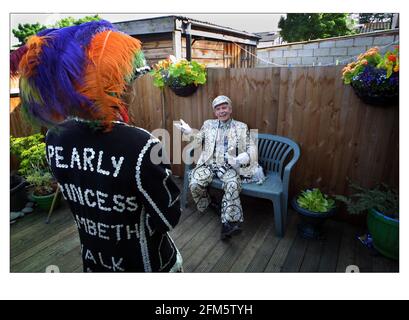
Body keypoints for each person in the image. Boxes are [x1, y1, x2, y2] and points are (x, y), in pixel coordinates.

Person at [12, 21, 183, 272]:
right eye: (131, 84)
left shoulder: (54, 137)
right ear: (121, 90)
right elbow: (169, 216)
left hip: (95, 262)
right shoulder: (140, 144)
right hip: (146, 264)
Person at [174, 95, 265, 240]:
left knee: (233, 184)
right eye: (218, 109)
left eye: (224, 107)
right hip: (208, 164)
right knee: (195, 184)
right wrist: (188, 132)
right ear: (215, 112)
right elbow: (198, 141)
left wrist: (246, 156)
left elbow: (251, 147)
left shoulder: (241, 126)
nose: (221, 111)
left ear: (230, 109)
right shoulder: (208, 124)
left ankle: (228, 224)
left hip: (229, 165)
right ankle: (211, 203)